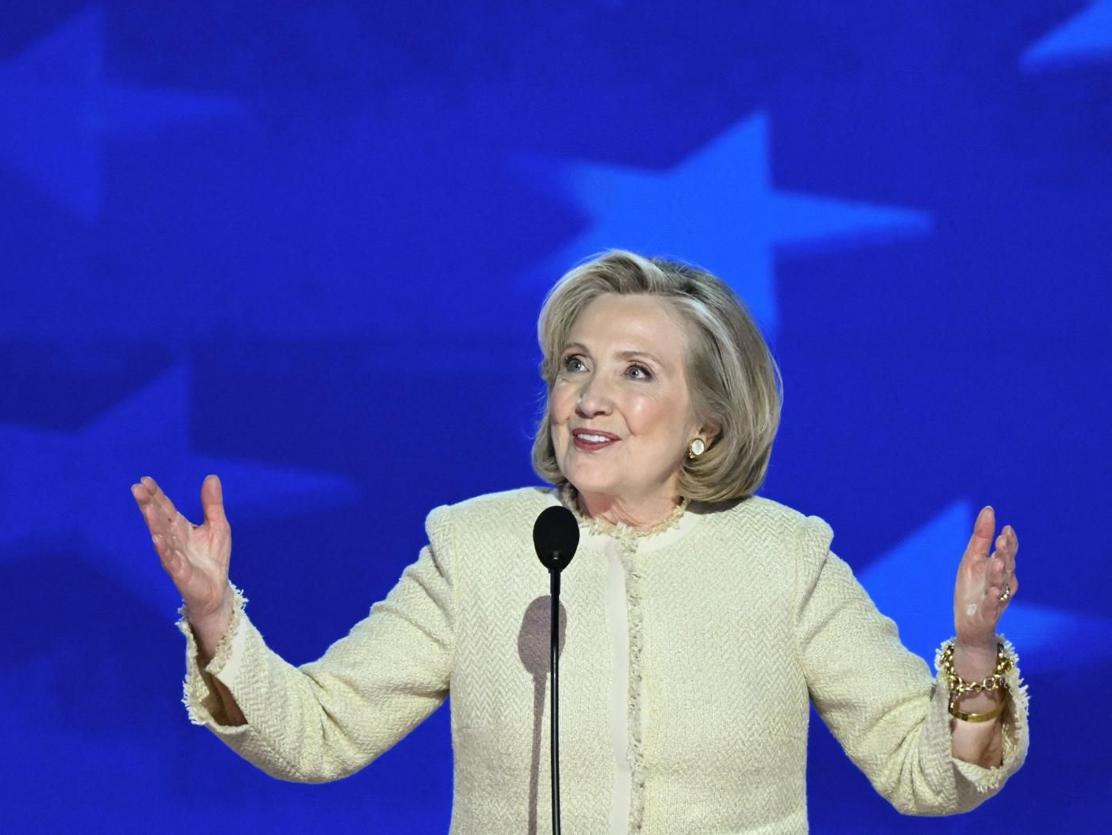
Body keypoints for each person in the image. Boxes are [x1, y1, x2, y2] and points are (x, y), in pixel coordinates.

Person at [131, 250, 1027, 833]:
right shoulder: (475, 547)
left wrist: (976, 656)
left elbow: (928, 776)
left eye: (636, 372)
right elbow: (317, 735)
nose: (589, 397)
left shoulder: (783, 557)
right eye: (575, 365)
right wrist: (216, 621)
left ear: (706, 423)